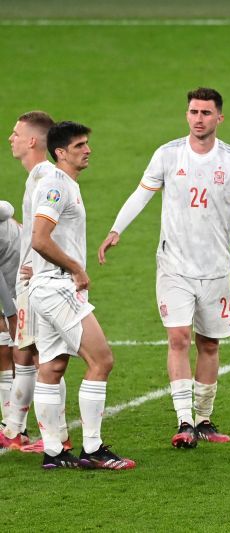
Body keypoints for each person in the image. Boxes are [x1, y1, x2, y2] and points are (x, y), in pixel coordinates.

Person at [98, 87, 230, 449]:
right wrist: (117, 228)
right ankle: (184, 422)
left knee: (209, 344)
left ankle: (205, 419)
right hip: (174, 265)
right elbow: (141, 193)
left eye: (206, 113)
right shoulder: (167, 155)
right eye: (193, 112)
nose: (199, 119)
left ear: (219, 118)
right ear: (187, 115)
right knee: (179, 338)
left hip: (215, 268)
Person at [28, 121, 135, 469]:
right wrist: (76, 267)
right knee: (101, 360)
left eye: (87, 143)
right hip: (58, 287)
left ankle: (54, 453)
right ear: (60, 152)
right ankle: (92, 448)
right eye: (79, 145)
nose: (87, 150)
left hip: (43, 289)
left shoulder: (64, 184)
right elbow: (40, 239)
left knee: (53, 367)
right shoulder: (56, 187)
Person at [1, 111, 71, 452]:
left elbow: (48, 230)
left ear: (32, 140)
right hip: (35, 277)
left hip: (40, 281)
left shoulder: (45, 176)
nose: (10, 139)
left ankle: (51, 435)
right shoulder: (38, 177)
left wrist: (37, 261)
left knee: (44, 356)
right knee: (27, 352)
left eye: (16, 134)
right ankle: (16, 429)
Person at [0, 200, 20, 423]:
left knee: (8, 340)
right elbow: (7, 208)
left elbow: (6, 209)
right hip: (12, 274)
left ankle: (11, 422)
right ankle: (12, 423)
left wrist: (10, 314)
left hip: (14, 271)